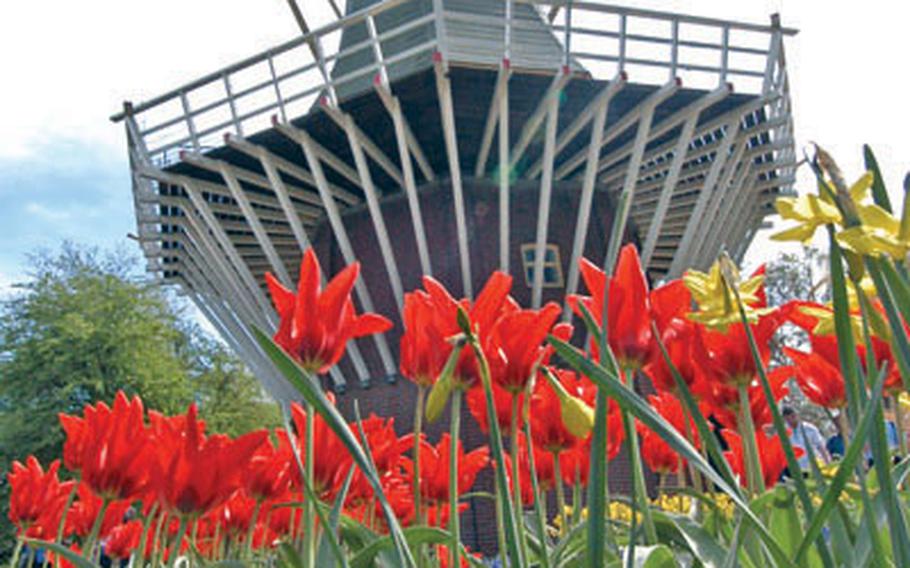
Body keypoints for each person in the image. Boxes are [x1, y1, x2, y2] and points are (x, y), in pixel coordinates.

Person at [782, 405, 830, 469]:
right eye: (787, 419)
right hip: (799, 469)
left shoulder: (809, 429)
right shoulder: (785, 433)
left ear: (796, 415)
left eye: (792, 417)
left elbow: (821, 447)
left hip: (815, 466)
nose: (789, 421)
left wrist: (828, 464)